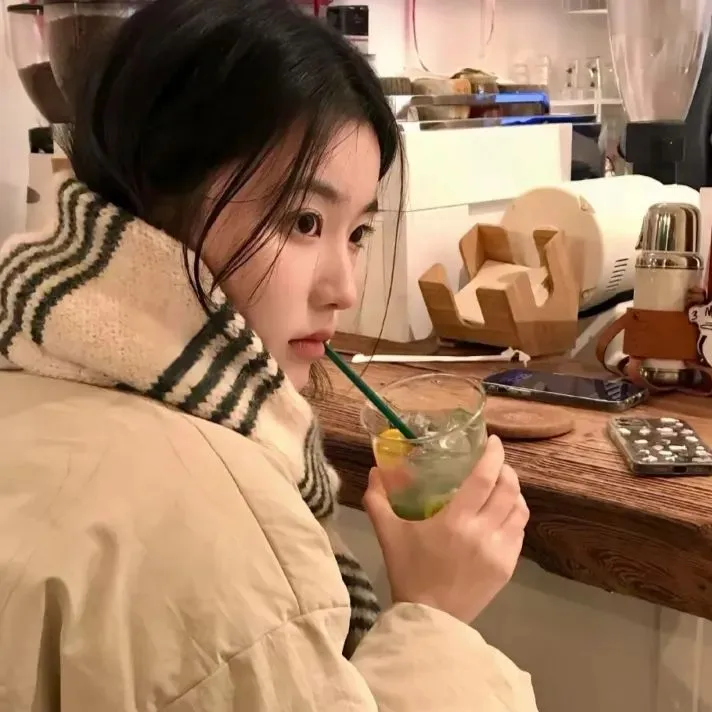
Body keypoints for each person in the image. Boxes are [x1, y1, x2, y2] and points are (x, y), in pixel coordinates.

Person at [0, 0, 537, 708]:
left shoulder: (27, 367)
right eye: (304, 221)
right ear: (156, 196)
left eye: (357, 234)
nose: (344, 290)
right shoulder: (221, 531)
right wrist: (434, 612)